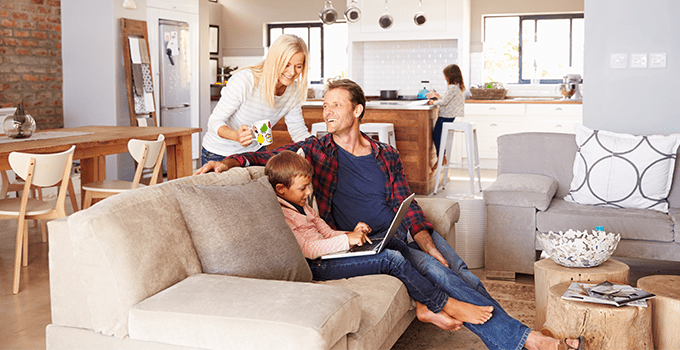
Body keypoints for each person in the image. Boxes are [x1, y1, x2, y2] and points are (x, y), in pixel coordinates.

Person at [195, 79, 583, 350]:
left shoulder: (385, 155)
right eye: (324, 104)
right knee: (441, 275)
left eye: (335, 105)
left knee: (456, 269)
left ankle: (518, 340)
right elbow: (271, 156)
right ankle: (530, 340)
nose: (326, 111)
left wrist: (427, 242)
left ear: (357, 110)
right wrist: (229, 160)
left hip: (394, 231)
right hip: (363, 240)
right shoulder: (317, 150)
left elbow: (407, 204)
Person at [265, 150, 494, 331]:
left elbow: (326, 234)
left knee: (393, 243)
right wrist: (348, 242)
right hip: (319, 265)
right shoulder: (283, 213)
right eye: (303, 188)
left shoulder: (302, 206)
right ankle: (442, 304)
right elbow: (308, 249)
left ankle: (422, 306)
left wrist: (350, 234)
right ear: (281, 189)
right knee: (391, 260)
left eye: (309, 186)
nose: (308, 192)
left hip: (331, 254)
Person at [200, 34, 312, 164]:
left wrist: (319, 146)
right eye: (286, 65)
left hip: (255, 153)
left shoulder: (294, 90)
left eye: (298, 66)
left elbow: (298, 131)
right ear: (274, 61)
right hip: (220, 153)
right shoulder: (245, 80)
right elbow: (214, 121)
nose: (292, 72)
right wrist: (236, 136)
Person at [426, 64, 466, 158]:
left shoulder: (452, 88)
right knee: (439, 135)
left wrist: (433, 102)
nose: (445, 78)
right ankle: (441, 158)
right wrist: (437, 95)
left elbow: (444, 102)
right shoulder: (457, 87)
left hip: (445, 116)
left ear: (450, 76)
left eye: (445, 76)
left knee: (436, 135)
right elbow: (447, 99)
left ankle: (441, 157)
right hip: (450, 116)